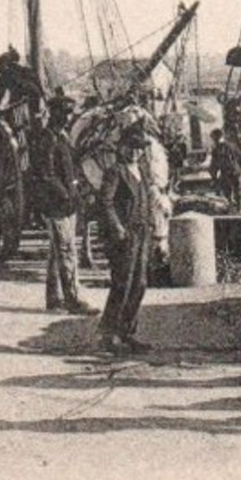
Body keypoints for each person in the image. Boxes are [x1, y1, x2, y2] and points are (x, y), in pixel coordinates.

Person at [98, 122, 156, 354]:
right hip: (124, 236)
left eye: (139, 147)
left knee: (140, 284)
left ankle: (127, 332)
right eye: (130, 147)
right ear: (121, 147)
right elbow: (106, 202)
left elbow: (148, 199)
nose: (134, 151)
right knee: (122, 283)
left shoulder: (141, 171)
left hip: (142, 234)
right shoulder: (115, 171)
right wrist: (117, 228)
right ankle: (109, 333)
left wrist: (152, 226)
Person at [35, 94, 96, 315]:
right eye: (66, 113)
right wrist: (67, 195)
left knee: (56, 251)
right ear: (55, 113)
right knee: (67, 250)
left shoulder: (60, 136)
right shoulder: (48, 138)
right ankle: (73, 299)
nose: (69, 117)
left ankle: (54, 297)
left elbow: (68, 166)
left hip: (65, 203)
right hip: (56, 204)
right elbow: (47, 174)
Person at [0, 47, 45, 118]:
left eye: (0, 63)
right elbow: (41, 92)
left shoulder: (7, 74)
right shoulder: (29, 71)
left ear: (6, 63)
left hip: (21, 108)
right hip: (35, 108)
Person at [208, 128, 241, 207]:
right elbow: (240, 156)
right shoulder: (231, 145)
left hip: (228, 171)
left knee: (228, 190)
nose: (213, 140)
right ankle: (237, 206)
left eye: (213, 138)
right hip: (233, 171)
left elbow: (214, 163)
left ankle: (232, 205)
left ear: (217, 137)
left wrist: (213, 176)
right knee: (234, 190)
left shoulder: (218, 148)